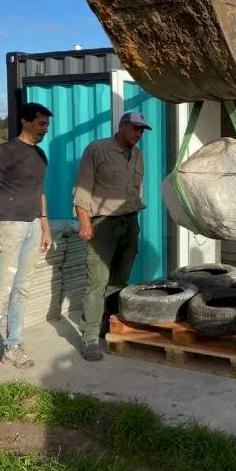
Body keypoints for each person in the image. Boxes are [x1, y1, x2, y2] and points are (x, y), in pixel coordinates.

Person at [0, 102, 53, 384]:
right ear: (25, 122)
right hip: (8, 227)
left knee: (22, 289)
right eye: (41, 124)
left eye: (47, 124)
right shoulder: (5, 152)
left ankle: (13, 346)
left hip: (32, 227)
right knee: (1, 291)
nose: (45, 129)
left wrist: (45, 226)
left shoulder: (40, 155)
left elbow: (39, 192)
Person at [73, 111, 151, 361]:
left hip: (130, 222)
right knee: (97, 281)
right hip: (104, 224)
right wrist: (84, 221)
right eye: (135, 128)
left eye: (142, 130)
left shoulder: (138, 154)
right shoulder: (97, 150)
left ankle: (107, 324)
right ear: (122, 126)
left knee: (119, 279)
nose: (139, 134)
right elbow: (82, 188)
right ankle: (89, 337)